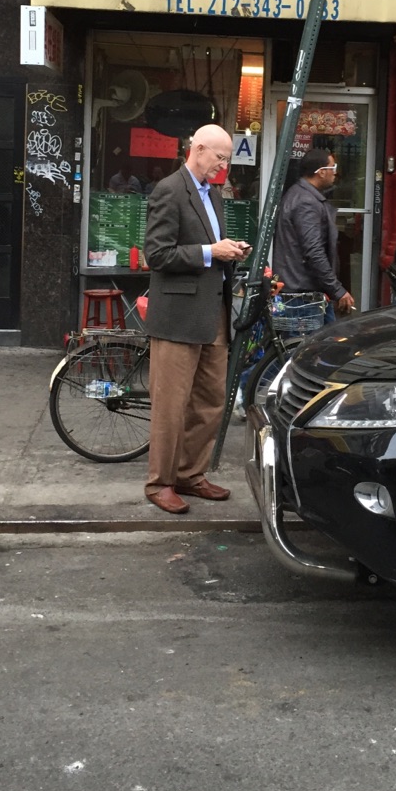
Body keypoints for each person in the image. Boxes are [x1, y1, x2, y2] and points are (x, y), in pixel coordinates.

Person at [141, 124, 250, 514]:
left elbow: (209, 245)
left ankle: (190, 473)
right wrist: (210, 252)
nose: (223, 166)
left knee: (210, 400)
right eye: (220, 158)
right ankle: (160, 483)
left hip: (212, 313)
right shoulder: (170, 190)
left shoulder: (213, 193)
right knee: (171, 404)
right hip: (177, 316)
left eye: (227, 159)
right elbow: (157, 254)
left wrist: (229, 250)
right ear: (198, 149)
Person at [273, 148, 355, 323]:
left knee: (327, 345)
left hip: (305, 293)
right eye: (333, 167)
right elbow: (313, 251)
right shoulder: (306, 202)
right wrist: (337, 290)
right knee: (308, 348)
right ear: (321, 172)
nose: (335, 172)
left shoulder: (302, 195)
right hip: (302, 298)